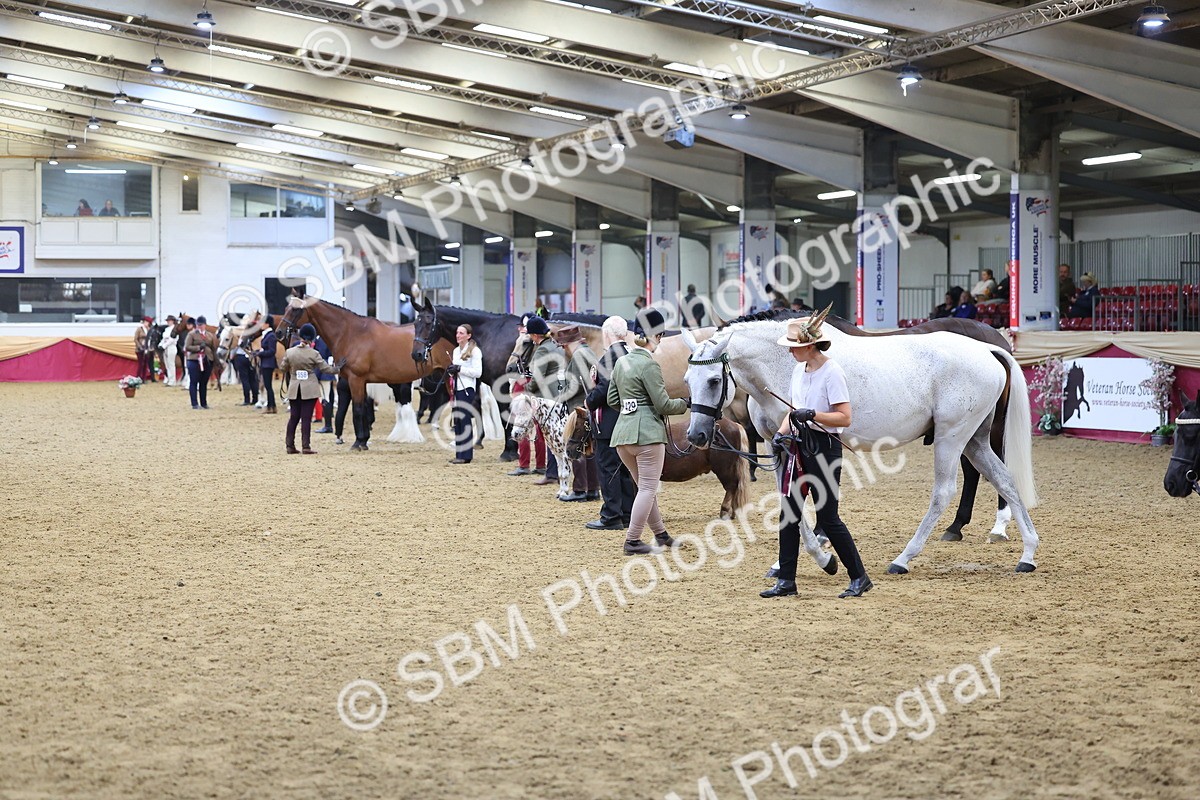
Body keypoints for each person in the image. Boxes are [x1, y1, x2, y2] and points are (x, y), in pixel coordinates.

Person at [762, 311, 872, 599]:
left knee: (828, 517)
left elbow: (844, 417)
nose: (789, 351)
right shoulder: (799, 371)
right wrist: (781, 433)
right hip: (798, 446)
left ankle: (859, 576)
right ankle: (786, 580)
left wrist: (814, 415)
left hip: (823, 448)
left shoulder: (832, 372)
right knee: (789, 514)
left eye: (793, 346)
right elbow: (792, 409)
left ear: (810, 345)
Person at [606, 308, 689, 555]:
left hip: (623, 436)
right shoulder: (649, 365)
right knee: (648, 489)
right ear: (658, 336)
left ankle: (661, 535)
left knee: (644, 487)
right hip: (647, 436)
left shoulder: (621, 362)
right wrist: (687, 403)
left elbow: (612, 399)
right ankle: (632, 541)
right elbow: (663, 404)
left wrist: (632, 407)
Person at [584, 316, 635, 531]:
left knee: (608, 469)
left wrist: (589, 400)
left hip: (608, 423)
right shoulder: (630, 354)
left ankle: (611, 515)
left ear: (607, 334)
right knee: (624, 470)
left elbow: (604, 389)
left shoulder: (609, 357)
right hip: (627, 421)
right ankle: (626, 513)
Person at [281, 323, 343, 454]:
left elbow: (282, 368)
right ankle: (306, 446)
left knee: (293, 417)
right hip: (309, 388)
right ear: (312, 338)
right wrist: (338, 368)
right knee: (306, 418)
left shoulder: (290, 352)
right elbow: (326, 369)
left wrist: (293, 370)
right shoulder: (314, 354)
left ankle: (289, 445)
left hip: (294, 388)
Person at [554, 325, 600, 501]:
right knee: (589, 449)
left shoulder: (579, 355)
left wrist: (560, 397)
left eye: (564, 345)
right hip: (588, 407)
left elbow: (574, 385)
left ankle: (580, 489)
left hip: (579, 408)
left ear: (568, 343)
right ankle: (592, 489)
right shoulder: (588, 352)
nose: (563, 349)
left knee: (577, 447)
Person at [524, 314, 564, 487]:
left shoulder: (542, 349)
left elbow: (538, 378)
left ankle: (552, 473)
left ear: (534, 335)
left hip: (548, 397)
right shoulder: (555, 345)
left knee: (550, 436)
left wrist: (526, 389)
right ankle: (555, 471)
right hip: (560, 393)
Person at [507, 315, 546, 477]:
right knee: (524, 423)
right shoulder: (526, 340)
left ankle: (532, 464)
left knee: (535, 425)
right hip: (524, 380)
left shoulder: (538, 347)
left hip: (529, 383)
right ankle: (530, 463)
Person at [446, 323, 483, 464]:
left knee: (465, 419)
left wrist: (460, 369)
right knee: (458, 420)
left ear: (468, 336)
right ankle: (459, 454)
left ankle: (466, 455)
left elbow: (477, 373)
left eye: (461, 333)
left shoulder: (475, 351)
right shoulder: (455, 351)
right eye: (457, 333)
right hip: (456, 388)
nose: (458, 335)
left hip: (467, 389)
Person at [184, 316, 216, 410]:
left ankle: (204, 403)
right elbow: (187, 346)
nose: (199, 326)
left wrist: (215, 360)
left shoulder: (210, 335)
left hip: (207, 360)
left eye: (201, 325)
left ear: (205, 325)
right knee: (194, 382)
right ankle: (194, 403)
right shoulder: (192, 334)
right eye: (198, 325)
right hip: (194, 360)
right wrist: (198, 348)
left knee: (204, 382)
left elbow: (213, 348)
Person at [312, 335, 336, 433]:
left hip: (322, 369)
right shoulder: (319, 338)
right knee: (326, 397)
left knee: (325, 398)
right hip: (323, 368)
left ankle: (328, 425)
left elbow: (320, 355)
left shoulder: (322, 339)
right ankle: (328, 424)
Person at [255, 316, 278, 415]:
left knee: (268, 386)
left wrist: (260, 353)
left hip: (268, 363)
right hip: (265, 363)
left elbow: (272, 351)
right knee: (268, 386)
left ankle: (271, 406)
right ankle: (271, 406)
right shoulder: (267, 335)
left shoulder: (271, 335)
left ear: (267, 324)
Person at [232, 331, 258, 407]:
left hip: (241, 357)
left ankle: (247, 399)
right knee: (253, 379)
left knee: (245, 379)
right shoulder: (253, 335)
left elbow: (234, 347)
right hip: (251, 357)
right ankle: (255, 398)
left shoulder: (239, 336)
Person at [134, 317, 153, 382]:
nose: (146, 323)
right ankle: (138, 377)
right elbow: (136, 339)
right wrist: (139, 346)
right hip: (140, 349)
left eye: (147, 322)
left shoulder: (149, 330)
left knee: (145, 364)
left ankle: (144, 378)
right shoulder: (139, 329)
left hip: (147, 348)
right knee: (140, 363)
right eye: (145, 322)